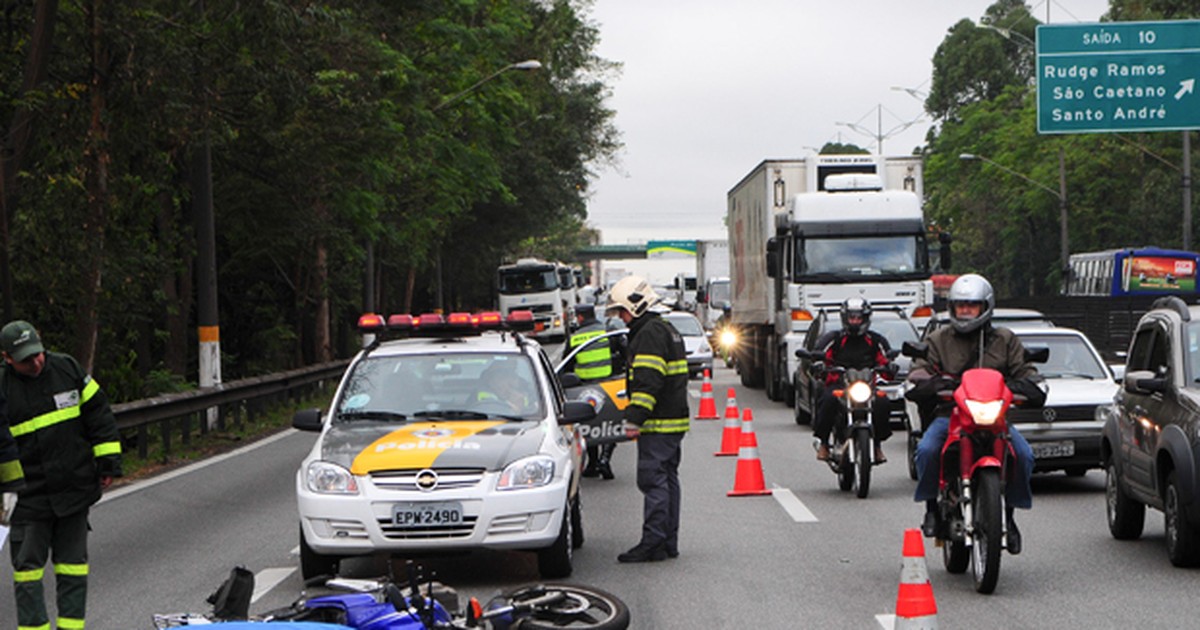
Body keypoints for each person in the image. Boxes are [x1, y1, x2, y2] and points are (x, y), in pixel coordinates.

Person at [905, 275, 1044, 554]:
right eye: (960, 306)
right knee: (928, 450)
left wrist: (1025, 385)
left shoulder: (1004, 339)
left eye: (972, 305)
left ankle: (1009, 515)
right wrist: (933, 384)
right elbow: (918, 371)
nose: (965, 311)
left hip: (994, 417)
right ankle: (932, 508)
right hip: (950, 415)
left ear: (986, 307)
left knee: (1025, 455)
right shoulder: (938, 339)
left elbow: (1027, 373)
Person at [2, 320, 123, 630]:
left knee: (73, 569)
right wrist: (7, 489)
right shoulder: (3, 389)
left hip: (73, 488)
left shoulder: (66, 368)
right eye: (27, 359)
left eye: (38, 354)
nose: (36, 362)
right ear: (7, 358)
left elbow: (99, 414)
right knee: (27, 572)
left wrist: (108, 461)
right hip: (28, 497)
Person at [606, 276, 689, 563]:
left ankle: (652, 543)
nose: (621, 318)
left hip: (658, 423)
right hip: (673, 422)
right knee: (667, 480)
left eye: (622, 311)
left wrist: (634, 419)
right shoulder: (666, 329)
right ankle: (667, 542)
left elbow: (647, 381)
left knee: (653, 481)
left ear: (636, 306)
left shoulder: (649, 334)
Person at [812, 297, 893, 463]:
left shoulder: (876, 340)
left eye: (859, 318)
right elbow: (819, 355)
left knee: (883, 402)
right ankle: (824, 443)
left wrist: (890, 367)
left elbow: (885, 359)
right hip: (840, 385)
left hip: (866, 387)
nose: (855, 322)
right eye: (852, 318)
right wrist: (820, 366)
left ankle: (877, 445)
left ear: (866, 318)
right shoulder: (834, 339)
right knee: (828, 399)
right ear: (845, 318)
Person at [569, 304, 616, 480]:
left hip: (584, 388)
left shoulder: (575, 337)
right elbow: (621, 352)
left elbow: (567, 365)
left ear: (580, 317)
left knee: (590, 426)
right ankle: (604, 460)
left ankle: (594, 463)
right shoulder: (607, 331)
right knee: (612, 423)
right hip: (609, 385)